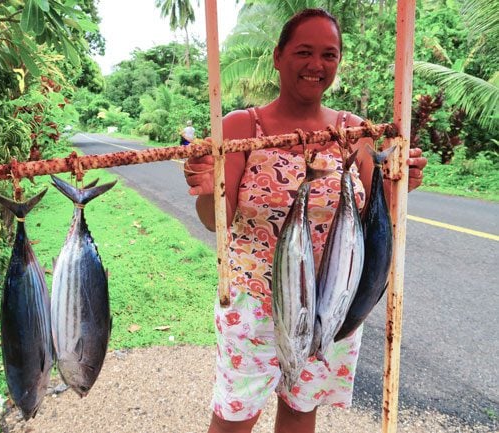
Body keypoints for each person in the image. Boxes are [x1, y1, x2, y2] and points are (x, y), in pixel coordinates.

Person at [182, 8, 427, 433]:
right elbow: (213, 221)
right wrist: (206, 185)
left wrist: (401, 185)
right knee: (234, 418)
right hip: (255, 304)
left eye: (329, 55)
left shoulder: (356, 132)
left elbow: (377, 214)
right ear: (278, 57)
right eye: (304, 51)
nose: (317, 65)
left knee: (300, 411)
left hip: (333, 299)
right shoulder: (241, 126)